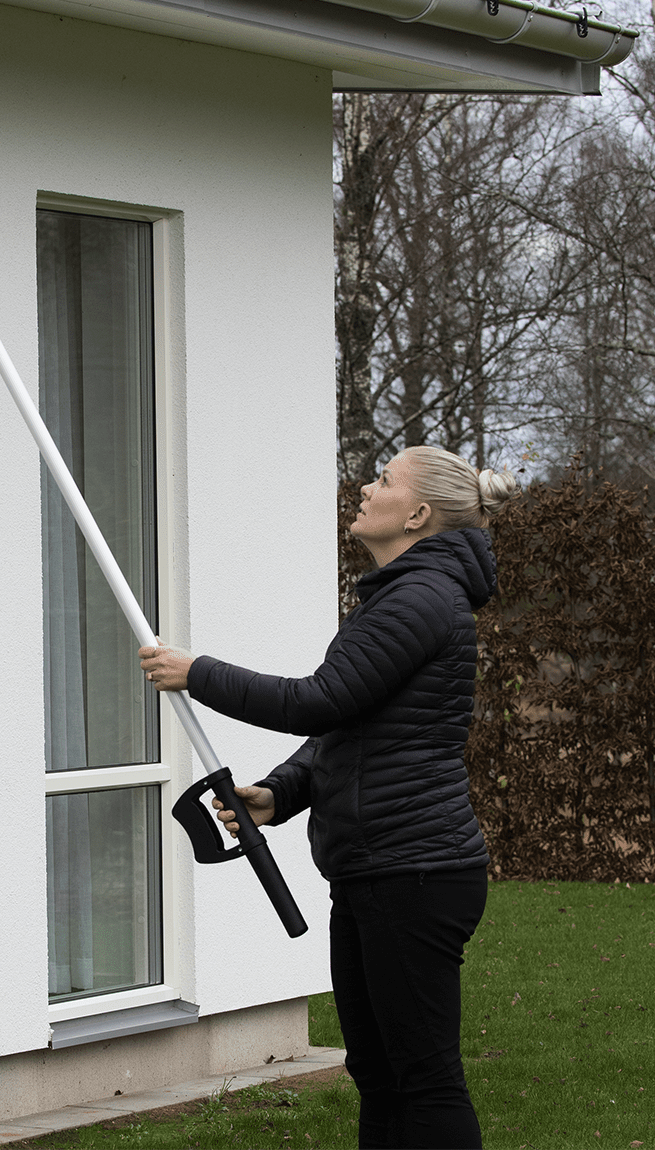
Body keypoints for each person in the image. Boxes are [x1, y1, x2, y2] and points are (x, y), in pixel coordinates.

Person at [139, 446, 519, 1150]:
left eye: (383, 480)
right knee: (378, 1073)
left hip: (413, 872)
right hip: (380, 871)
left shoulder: (419, 600)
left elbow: (317, 701)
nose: (366, 488)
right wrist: (280, 794)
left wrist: (198, 673)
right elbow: (356, 728)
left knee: (425, 1079)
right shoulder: (410, 596)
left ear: (417, 513)